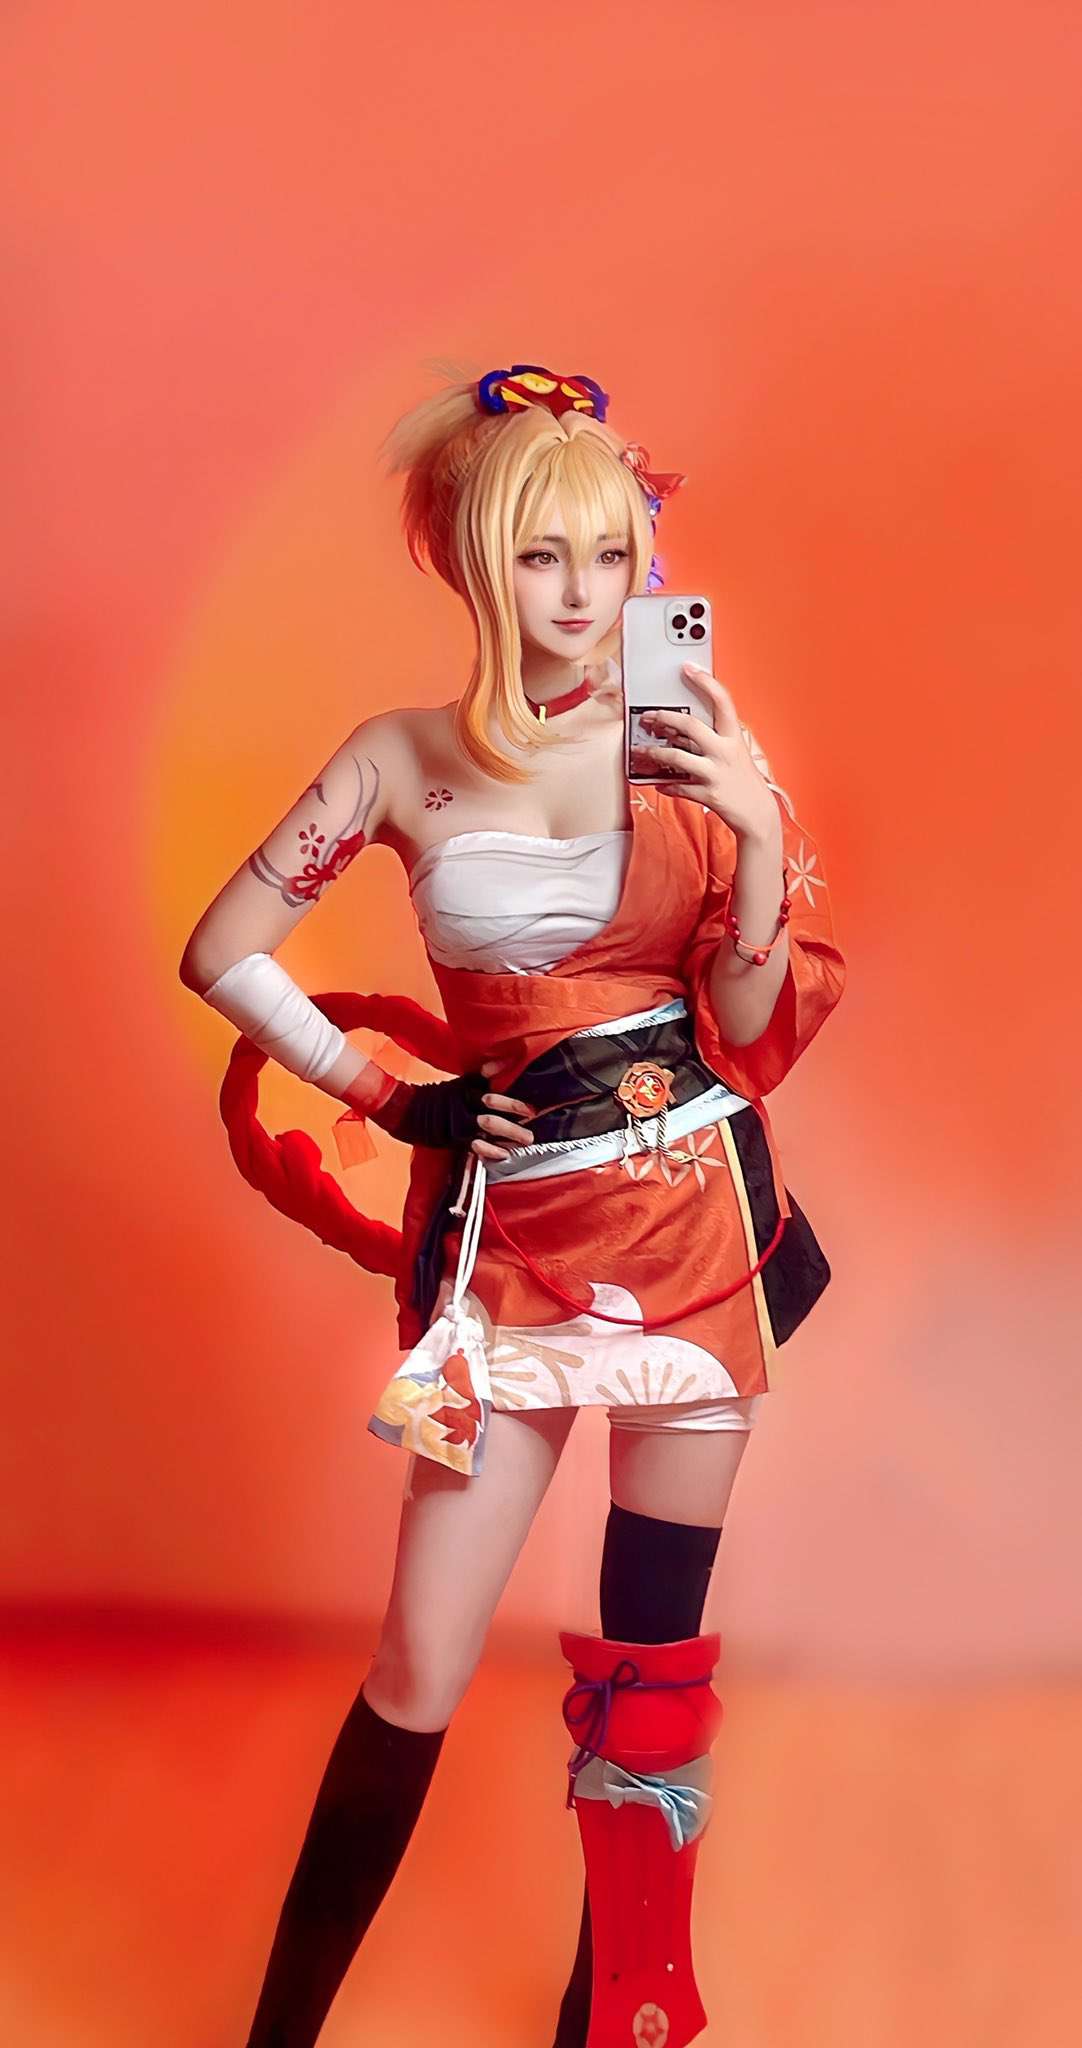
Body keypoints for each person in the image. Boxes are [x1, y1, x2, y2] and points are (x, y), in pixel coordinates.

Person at [179, 361, 846, 2048]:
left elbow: (753, 1028)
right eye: (542, 556)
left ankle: (608, 2024)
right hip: (509, 1251)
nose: (579, 594)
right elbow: (223, 949)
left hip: (694, 1240)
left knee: (648, 1665)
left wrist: (752, 844)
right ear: (474, 562)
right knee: (417, 1659)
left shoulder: (689, 746)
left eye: (609, 555)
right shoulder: (398, 759)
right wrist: (389, 1095)